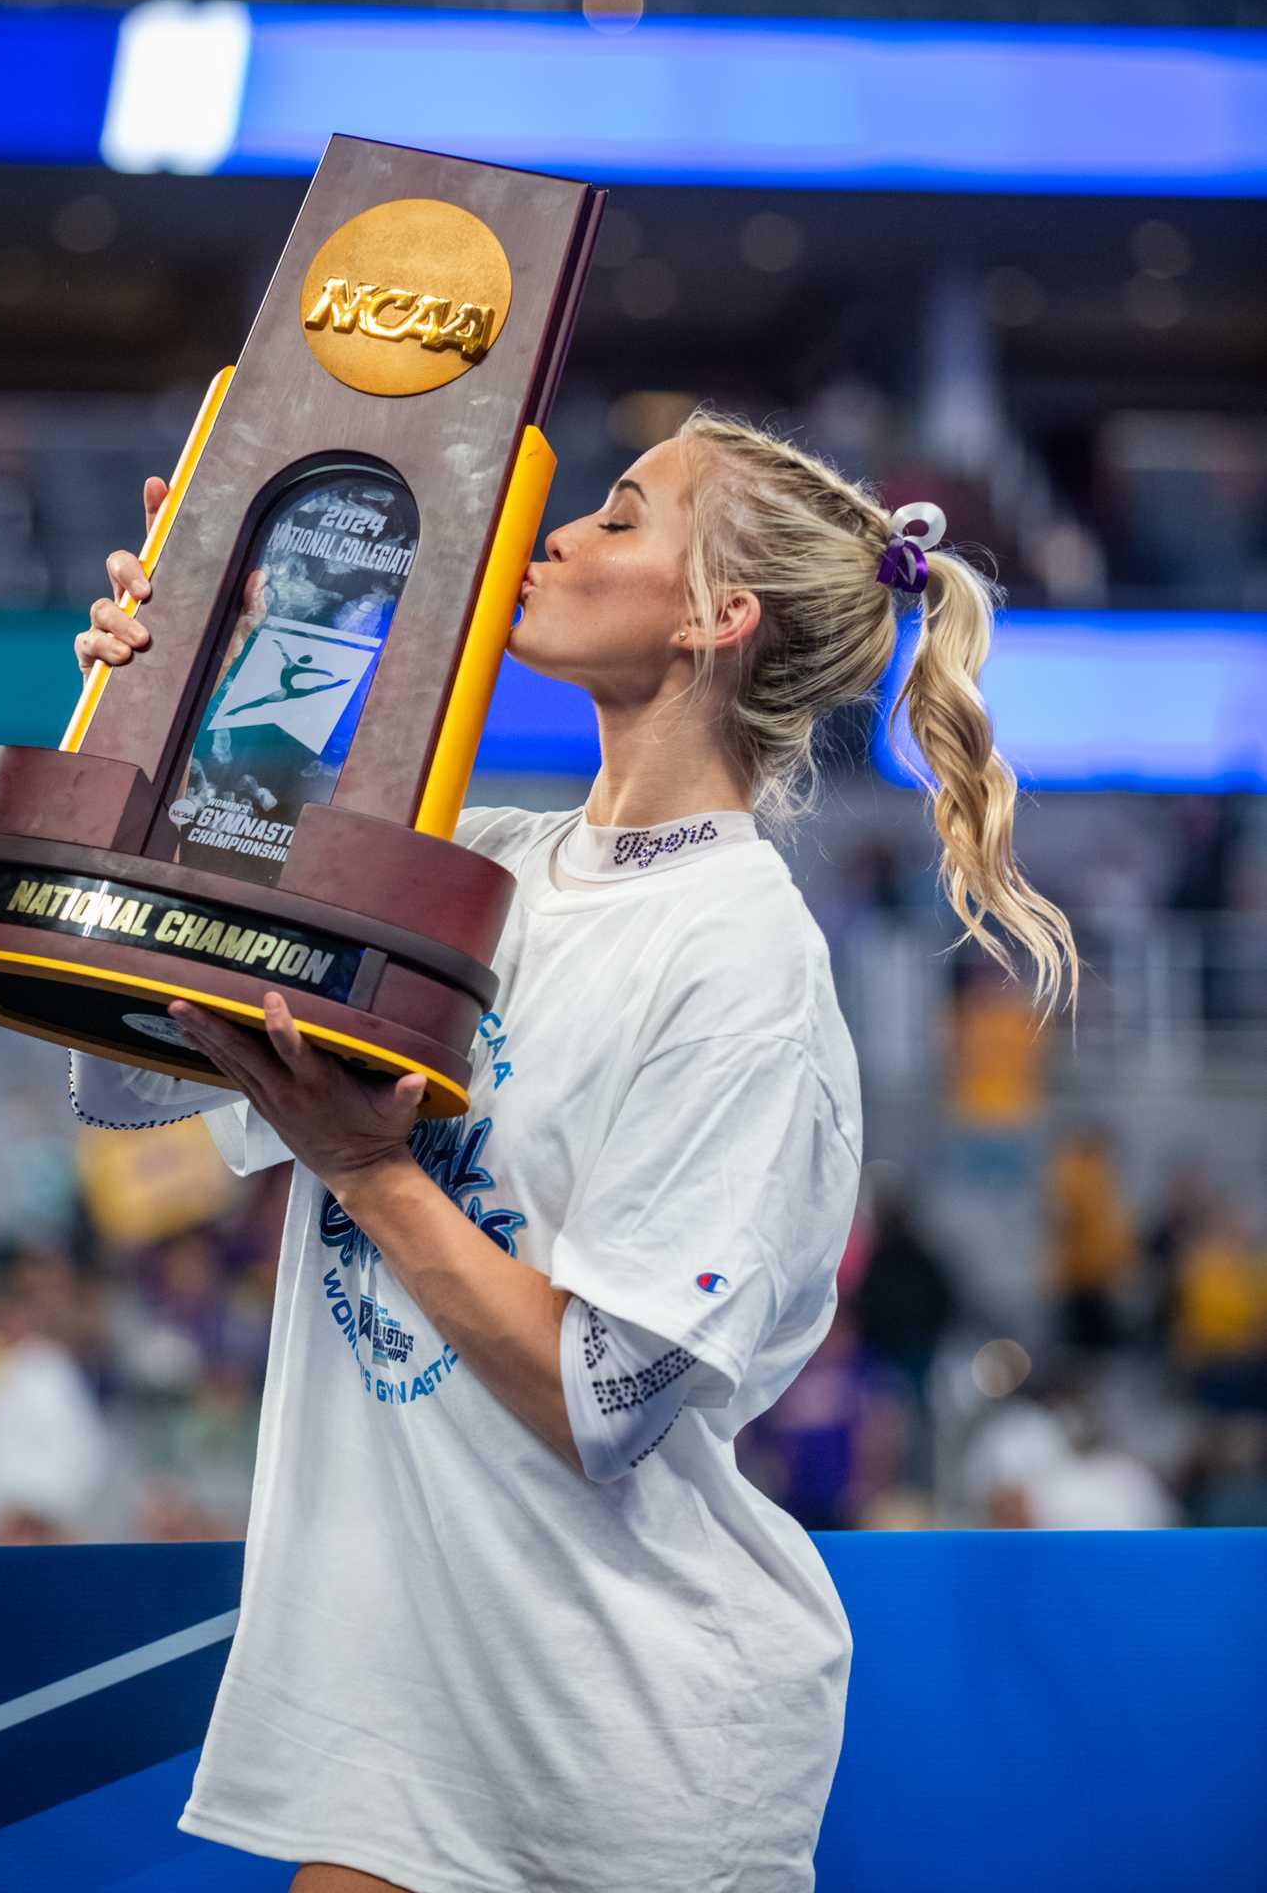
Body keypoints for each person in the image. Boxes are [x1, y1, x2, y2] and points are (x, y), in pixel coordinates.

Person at [70, 411, 1079, 1893]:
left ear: (714, 618)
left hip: (620, 1758)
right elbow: (131, 1073)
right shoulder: (478, 866)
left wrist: (369, 1172)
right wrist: (174, 703)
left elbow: (604, 1395)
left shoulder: (745, 964)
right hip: (397, 1732)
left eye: (619, 513)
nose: (558, 533)